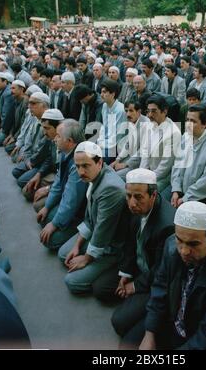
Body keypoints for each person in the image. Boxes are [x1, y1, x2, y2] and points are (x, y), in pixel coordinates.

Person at [133, 202, 206, 350]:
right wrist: (150, 334)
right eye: (180, 241)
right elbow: (160, 289)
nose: (184, 251)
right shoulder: (171, 246)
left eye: (193, 244)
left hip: (194, 337)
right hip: (172, 323)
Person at [93, 169, 175, 340]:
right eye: (128, 195)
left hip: (154, 279)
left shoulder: (167, 226)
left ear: (153, 195)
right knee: (99, 288)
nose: (131, 203)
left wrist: (135, 286)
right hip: (138, 267)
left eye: (138, 197)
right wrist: (125, 273)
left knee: (119, 322)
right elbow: (130, 244)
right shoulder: (135, 207)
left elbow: (161, 270)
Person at [58, 141, 127, 294]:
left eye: (85, 166)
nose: (80, 171)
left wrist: (86, 258)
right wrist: (77, 246)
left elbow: (103, 230)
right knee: (64, 254)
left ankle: (111, 267)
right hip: (100, 234)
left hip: (113, 246)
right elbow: (90, 218)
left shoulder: (110, 188)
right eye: (77, 166)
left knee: (72, 282)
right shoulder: (95, 176)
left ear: (100, 162)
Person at [36, 120, 88, 250]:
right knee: (42, 213)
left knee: (49, 241)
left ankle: (79, 232)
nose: (54, 139)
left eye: (58, 136)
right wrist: (47, 207)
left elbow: (71, 201)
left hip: (81, 213)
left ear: (70, 141)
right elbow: (58, 184)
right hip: (71, 203)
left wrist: (54, 224)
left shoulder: (79, 163)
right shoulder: (66, 153)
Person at [168, 104, 206, 210]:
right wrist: (176, 190)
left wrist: (185, 199)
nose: (188, 124)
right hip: (182, 190)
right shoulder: (186, 137)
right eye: (187, 120)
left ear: (205, 124)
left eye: (193, 121)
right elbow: (177, 166)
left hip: (203, 197)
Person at [140, 95, 181, 192]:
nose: (149, 115)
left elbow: (165, 166)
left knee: (142, 192)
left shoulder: (174, 133)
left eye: (154, 111)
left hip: (163, 178)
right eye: (148, 111)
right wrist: (141, 174)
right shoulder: (150, 125)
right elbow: (145, 153)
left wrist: (147, 180)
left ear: (165, 111)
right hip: (148, 173)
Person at [111, 100, 149, 181]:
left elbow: (142, 152)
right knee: (110, 169)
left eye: (131, 111)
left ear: (139, 112)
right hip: (131, 158)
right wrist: (117, 160)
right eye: (126, 111)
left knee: (115, 176)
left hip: (141, 163)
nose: (128, 114)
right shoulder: (131, 121)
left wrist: (126, 164)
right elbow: (128, 144)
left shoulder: (146, 125)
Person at [97, 80, 126, 164]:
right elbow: (104, 127)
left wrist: (102, 146)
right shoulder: (105, 105)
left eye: (104, 92)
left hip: (116, 146)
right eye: (101, 92)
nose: (101, 95)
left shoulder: (120, 110)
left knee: (97, 160)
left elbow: (117, 137)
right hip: (106, 142)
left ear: (113, 94)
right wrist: (100, 142)